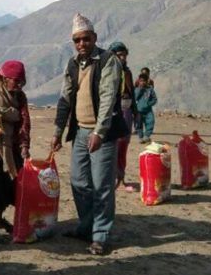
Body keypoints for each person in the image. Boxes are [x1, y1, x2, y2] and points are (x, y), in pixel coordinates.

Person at [51, 13, 128, 256]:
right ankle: (86, 226)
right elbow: (65, 99)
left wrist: (99, 132)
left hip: (101, 133)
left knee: (102, 186)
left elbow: (107, 99)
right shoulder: (73, 64)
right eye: (77, 40)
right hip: (80, 132)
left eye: (86, 39)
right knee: (79, 181)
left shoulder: (107, 61)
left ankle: (101, 235)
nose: (82, 43)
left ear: (94, 37)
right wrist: (57, 131)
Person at [0, 60, 31, 242]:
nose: (18, 85)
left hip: (10, 147)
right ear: (4, 78)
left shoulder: (20, 96)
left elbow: (24, 121)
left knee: (7, 185)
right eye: (15, 81)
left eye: (21, 82)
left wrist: (24, 145)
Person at [108, 41, 137, 190]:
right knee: (113, 145)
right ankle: (112, 177)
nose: (123, 58)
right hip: (112, 111)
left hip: (126, 111)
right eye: (120, 55)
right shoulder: (106, 72)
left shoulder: (127, 72)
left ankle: (121, 177)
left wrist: (135, 112)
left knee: (124, 144)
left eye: (125, 55)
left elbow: (131, 93)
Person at [134, 67, 157, 144]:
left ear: (147, 81)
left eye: (144, 81)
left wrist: (149, 104)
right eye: (141, 81)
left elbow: (154, 99)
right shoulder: (137, 88)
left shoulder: (150, 89)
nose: (142, 82)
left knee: (150, 121)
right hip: (139, 110)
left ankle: (147, 136)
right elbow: (135, 97)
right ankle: (140, 137)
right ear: (139, 81)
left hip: (148, 110)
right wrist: (140, 90)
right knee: (139, 124)